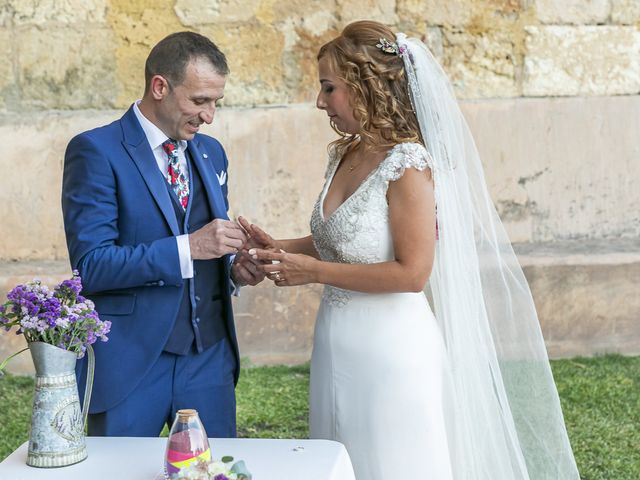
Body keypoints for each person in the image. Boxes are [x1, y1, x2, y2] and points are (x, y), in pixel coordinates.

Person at [245, 21, 581, 480]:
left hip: (392, 351)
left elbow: (412, 273)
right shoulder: (345, 153)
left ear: (364, 88)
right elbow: (343, 239)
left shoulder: (409, 164)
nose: (320, 101)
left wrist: (314, 271)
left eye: (329, 88)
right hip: (335, 341)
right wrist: (278, 249)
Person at [61, 32, 264, 437]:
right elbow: (92, 266)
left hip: (209, 361)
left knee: (214, 469)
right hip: (131, 364)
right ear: (160, 87)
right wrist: (189, 247)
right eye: (199, 101)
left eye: (215, 103)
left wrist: (234, 271)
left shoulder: (212, 152)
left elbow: (206, 252)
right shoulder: (97, 151)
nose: (209, 116)